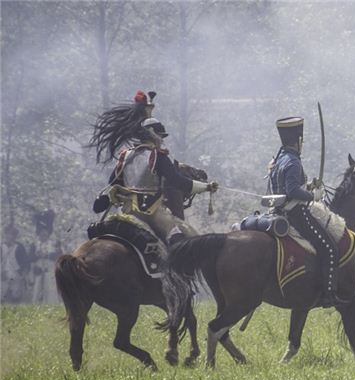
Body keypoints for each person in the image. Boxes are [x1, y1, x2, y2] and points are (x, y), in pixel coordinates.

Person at [90, 90, 218, 244]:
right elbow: (177, 181)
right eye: (161, 137)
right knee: (182, 236)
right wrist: (206, 187)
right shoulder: (158, 156)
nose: (162, 141)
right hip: (151, 212)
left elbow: (113, 184)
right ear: (154, 135)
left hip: (126, 211)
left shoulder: (126, 156)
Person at [268, 116, 341, 308]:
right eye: (301, 140)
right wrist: (313, 196)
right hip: (296, 215)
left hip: (279, 212)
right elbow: (291, 191)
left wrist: (307, 186)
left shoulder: (278, 160)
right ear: (298, 140)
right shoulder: (293, 162)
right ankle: (328, 294)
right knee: (330, 248)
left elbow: (286, 187)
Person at [30, 210, 62, 304]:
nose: (44, 234)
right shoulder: (34, 245)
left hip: (50, 270)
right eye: (41, 232)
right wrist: (37, 255)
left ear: (48, 233)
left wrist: (48, 255)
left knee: (51, 292)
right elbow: (30, 258)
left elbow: (59, 256)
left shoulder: (54, 244)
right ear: (38, 233)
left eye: (45, 232)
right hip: (38, 270)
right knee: (36, 291)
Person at [1, 224, 29, 303]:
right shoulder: (1, 246)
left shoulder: (19, 247)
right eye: (8, 233)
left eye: (12, 234)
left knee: (16, 294)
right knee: (2, 293)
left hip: (16, 273)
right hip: (3, 272)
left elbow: (25, 261)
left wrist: (24, 273)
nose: (10, 236)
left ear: (15, 236)